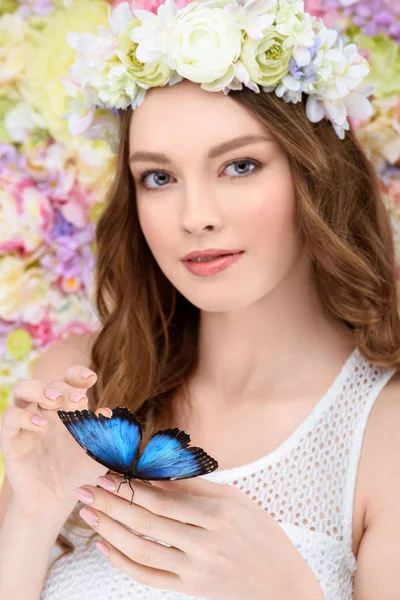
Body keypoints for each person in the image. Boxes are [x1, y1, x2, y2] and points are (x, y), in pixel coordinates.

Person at [1, 1, 400, 599]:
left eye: (239, 165)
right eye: (158, 177)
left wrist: (291, 592)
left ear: (315, 176)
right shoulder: (77, 387)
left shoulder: (384, 436)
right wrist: (32, 516)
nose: (195, 218)